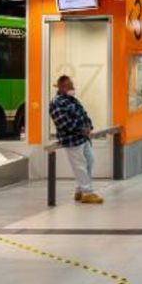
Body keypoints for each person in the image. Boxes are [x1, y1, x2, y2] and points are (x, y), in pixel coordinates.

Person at [49, 75, 103, 204]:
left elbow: (84, 114)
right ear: (61, 87)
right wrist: (81, 129)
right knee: (79, 166)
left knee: (90, 161)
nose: (73, 87)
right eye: (69, 85)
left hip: (83, 138)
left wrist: (89, 126)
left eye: (72, 84)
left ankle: (80, 190)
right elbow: (63, 123)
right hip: (72, 140)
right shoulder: (56, 103)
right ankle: (87, 192)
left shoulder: (72, 99)